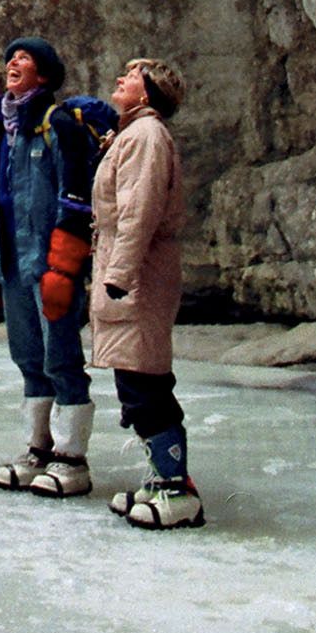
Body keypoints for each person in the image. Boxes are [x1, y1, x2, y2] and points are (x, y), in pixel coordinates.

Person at [0, 36, 115, 496]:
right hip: (14, 262)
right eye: (11, 57)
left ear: (46, 76)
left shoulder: (58, 124)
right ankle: (37, 448)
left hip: (49, 260)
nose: (14, 63)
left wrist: (64, 263)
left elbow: (76, 197)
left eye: (27, 59)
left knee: (61, 357)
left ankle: (71, 456)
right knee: (27, 356)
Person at [92, 56, 203, 528]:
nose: (121, 78)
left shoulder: (146, 136)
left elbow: (139, 211)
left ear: (149, 92)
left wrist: (120, 273)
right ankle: (160, 479)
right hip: (128, 267)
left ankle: (176, 487)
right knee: (135, 377)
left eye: (132, 76)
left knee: (146, 380)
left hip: (137, 272)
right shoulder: (133, 133)